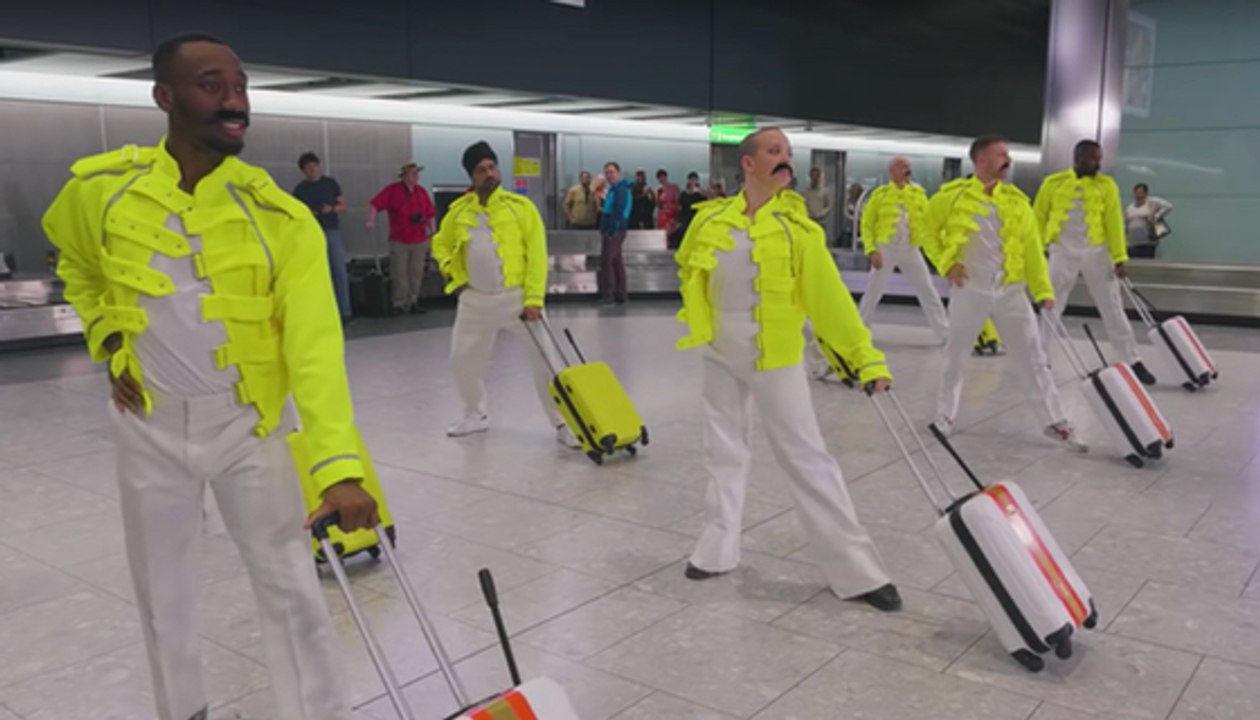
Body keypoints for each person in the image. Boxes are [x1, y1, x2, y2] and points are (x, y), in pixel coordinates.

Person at [41, 33, 375, 720]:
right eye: (211, 85)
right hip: (149, 426)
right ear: (165, 97)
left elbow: (316, 350)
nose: (234, 102)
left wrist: (338, 465)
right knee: (163, 593)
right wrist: (107, 338)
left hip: (247, 426)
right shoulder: (98, 193)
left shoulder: (281, 220)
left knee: (290, 586)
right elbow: (76, 263)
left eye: (241, 86)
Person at [674, 127, 901, 612]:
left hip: (774, 353)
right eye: (774, 151)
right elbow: (689, 268)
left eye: (789, 154)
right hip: (718, 349)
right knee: (723, 451)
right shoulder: (709, 219)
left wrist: (866, 359)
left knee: (806, 456)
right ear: (749, 164)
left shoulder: (801, 231)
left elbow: (831, 303)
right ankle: (717, 547)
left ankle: (858, 571)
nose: (785, 159)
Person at [926, 135, 1086, 451]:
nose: (1007, 160)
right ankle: (945, 416)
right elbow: (927, 233)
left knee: (1034, 358)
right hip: (970, 287)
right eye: (1001, 154)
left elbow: (1032, 251)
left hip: (1011, 290)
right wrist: (947, 264)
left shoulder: (1017, 202)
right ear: (981, 160)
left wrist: (1043, 291)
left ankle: (1055, 419)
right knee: (955, 355)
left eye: (1008, 154)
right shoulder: (950, 198)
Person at [432, 141, 580, 449]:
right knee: (463, 359)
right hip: (475, 300)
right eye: (481, 170)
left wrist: (534, 299)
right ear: (471, 177)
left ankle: (565, 422)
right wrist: (453, 273)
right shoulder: (458, 212)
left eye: (492, 167)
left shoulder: (520, 208)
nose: (489, 174)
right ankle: (475, 414)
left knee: (547, 362)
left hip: (518, 299)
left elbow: (537, 256)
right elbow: (440, 243)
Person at [1035, 140, 1156, 385]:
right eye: (1093, 158)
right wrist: (1036, 255)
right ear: (1077, 157)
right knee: (1049, 305)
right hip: (1061, 250)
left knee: (1112, 306)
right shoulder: (1053, 183)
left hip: (1097, 252)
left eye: (1099, 158)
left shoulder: (1106, 185)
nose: (1098, 163)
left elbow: (1114, 223)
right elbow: (1037, 217)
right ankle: (1039, 359)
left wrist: (1120, 258)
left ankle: (1132, 360)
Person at [857, 156, 950, 343]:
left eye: (909, 166)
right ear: (893, 171)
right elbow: (867, 224)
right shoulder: (880, 195)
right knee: (873, 291)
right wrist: (871, 250)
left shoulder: (918, 194)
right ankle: (859, 332)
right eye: (904, 167)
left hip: (910, 248)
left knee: (927, 289)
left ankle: (944, 333)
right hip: (886, 248)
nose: (908, 170)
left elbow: (928, 221)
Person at [367, 161, 436, 314]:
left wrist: (433, 231)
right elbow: (374, 204)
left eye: (417, 173)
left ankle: (413, 301)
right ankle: (399, 303)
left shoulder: (421, 192)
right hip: (400, 239)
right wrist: (370, 220)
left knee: (416, 273)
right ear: (404, 175)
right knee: (399, 273)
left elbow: (430, 214)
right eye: (413, 173)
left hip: (419, 239)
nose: (416, 176)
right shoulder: (393, 191)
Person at [292, 151, 350, 323]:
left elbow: (344, 206)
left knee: (339, 270)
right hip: (311, 233)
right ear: (303, 171)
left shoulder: (330, 184)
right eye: (309, 168)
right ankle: (322, 312)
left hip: (331, 229)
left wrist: (330, 209)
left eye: (315, 166)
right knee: (318, 273)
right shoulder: (300, 190)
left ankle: (344, 311)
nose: (313, 170)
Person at [598, 161, 633, 304]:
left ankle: (609, 294)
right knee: (616, 261)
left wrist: (611, 229)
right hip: (615, 229)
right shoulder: (614, 189)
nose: (608, 175)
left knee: (607, 261)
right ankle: (621, 293)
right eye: (606, 173)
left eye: (611, 172)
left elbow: (618, 210)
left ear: (618, 173)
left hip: (615, 230)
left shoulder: (620, 190)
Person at [1124, 183, 1173, 259]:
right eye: (1136, 193)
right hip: (1133, 243)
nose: (1138, 195)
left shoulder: (1151, 202)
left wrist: (1156, 216)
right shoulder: (1130, 207)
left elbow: (1168, 206)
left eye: (1141, 193)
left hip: (1147, 243)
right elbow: (1126, 223)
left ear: (1146, 193)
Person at [673, 171, 707, 248]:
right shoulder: (684, 193)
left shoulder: (700, 193)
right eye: (691, 179)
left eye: (694, 179)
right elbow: (680, 207)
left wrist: (700, 191)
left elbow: (706, 201)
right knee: (683, 232)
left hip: (696, 216)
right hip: (685, 217)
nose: (693, 181)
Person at [655, 169, 680, 236]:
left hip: (672, 216)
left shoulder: (674, 188)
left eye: (663, 177)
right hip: (662, 217)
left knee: (672, 236)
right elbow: (658, 205)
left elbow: (677, 202)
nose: (661, 179)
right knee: (662, 237)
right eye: (659, 178)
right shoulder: (658, 190)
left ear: (666, 177)